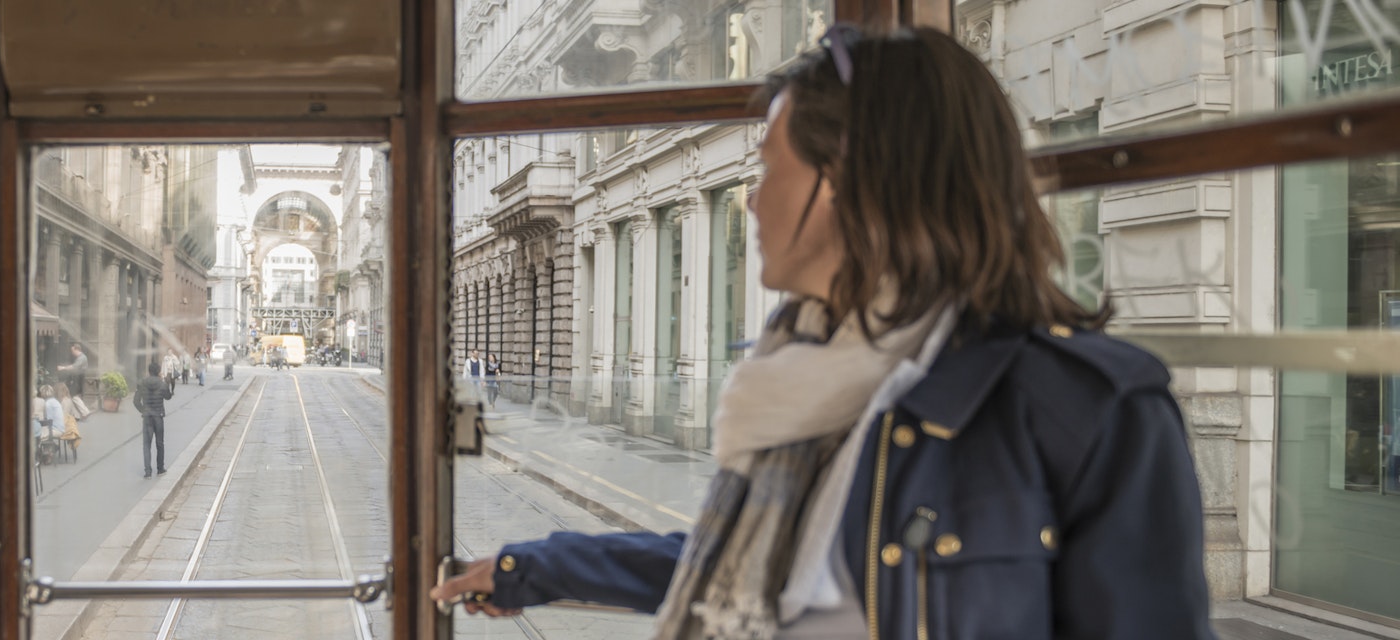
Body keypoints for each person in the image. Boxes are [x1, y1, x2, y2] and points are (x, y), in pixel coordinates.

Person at [431, 25, 1215, 640]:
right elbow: (741, 571)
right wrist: (531, 567)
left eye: (769, 170)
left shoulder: (1092, 411)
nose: (750, 200)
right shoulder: (799, 370)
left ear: (850, 183)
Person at [133, 361, 175, 477]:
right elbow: (168, 397)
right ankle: (160, 468)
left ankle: (148, 471)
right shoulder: (162, 384)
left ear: (149, 371)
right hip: (158, 416)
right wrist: (169, 385)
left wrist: (143, 410)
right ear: (158, 371)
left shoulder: (142, 383)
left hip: (147, 417)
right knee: (160, 443)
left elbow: (136, 401)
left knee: (146, 444)